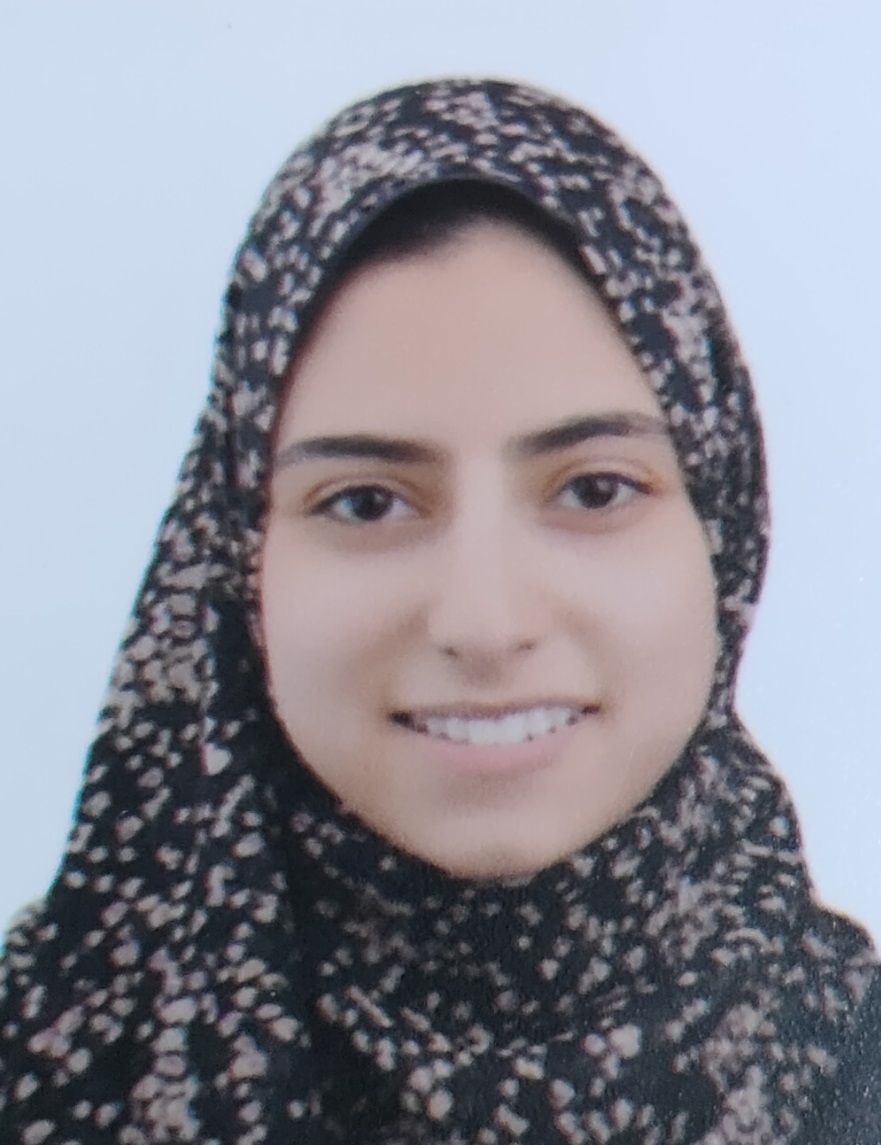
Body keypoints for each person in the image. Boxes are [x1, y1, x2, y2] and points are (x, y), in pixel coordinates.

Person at [1, 77, 878, 1144]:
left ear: (721, 527)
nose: (484, 621)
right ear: (238, 560)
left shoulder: (853, 1073)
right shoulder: (49, 1058)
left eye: (593, 488)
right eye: (365, 502)